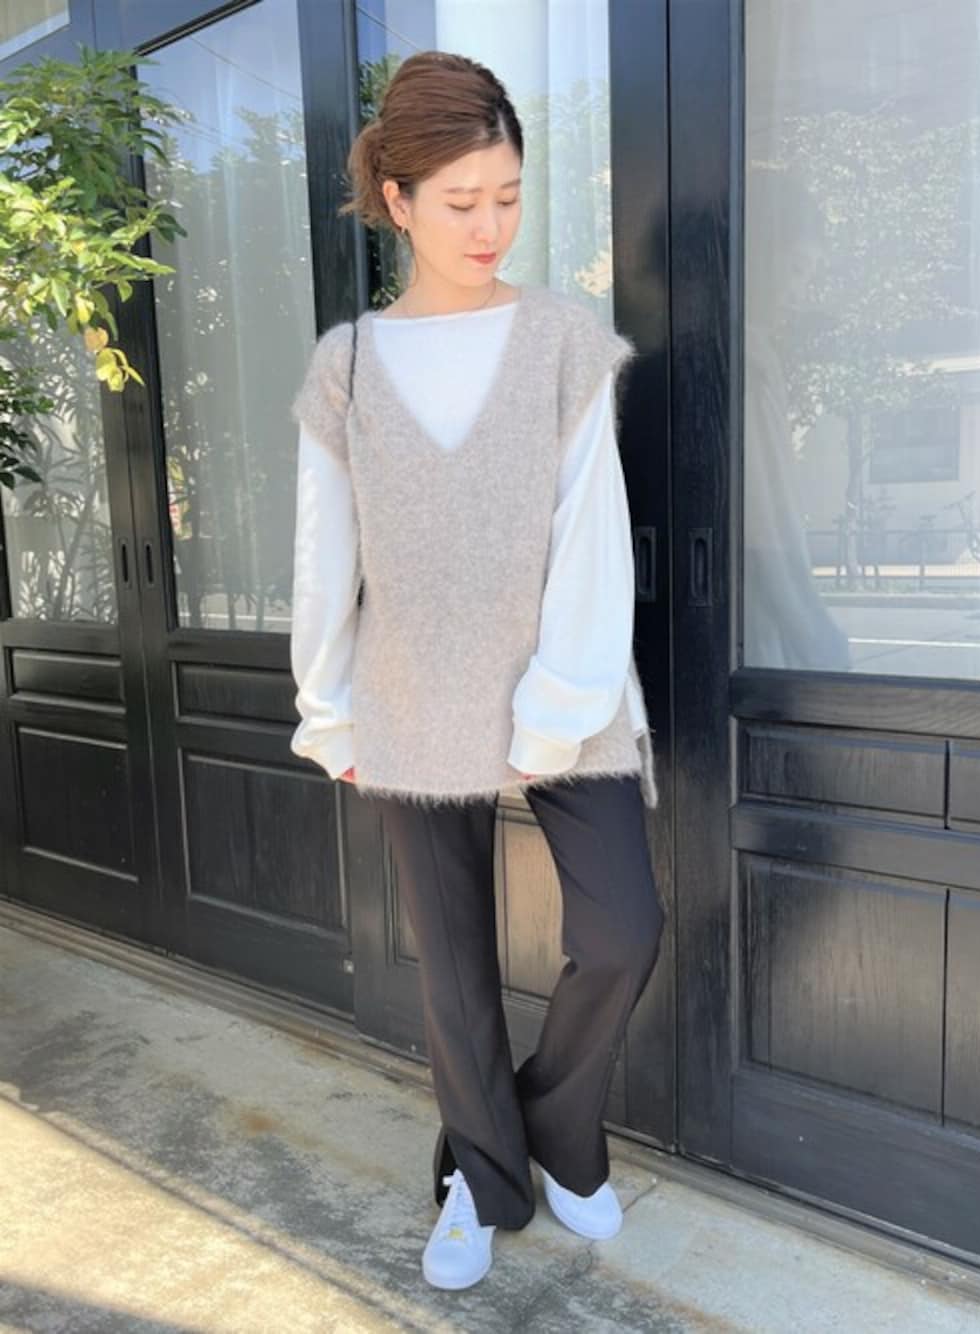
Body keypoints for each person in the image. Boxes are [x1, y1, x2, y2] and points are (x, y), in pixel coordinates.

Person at [288, 50, 665, 1290]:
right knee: (452, 970)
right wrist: (327, 708)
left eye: (506, 195)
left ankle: (556, 1128)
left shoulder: (559, 338)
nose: (489, 225)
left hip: (568, 685)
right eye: (460, 201)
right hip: (407, 692)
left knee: (622, 929)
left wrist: (555, 710)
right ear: (397, 201)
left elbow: (591, 534)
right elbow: (326, 550)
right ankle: (482, 1180)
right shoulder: (348, 364)